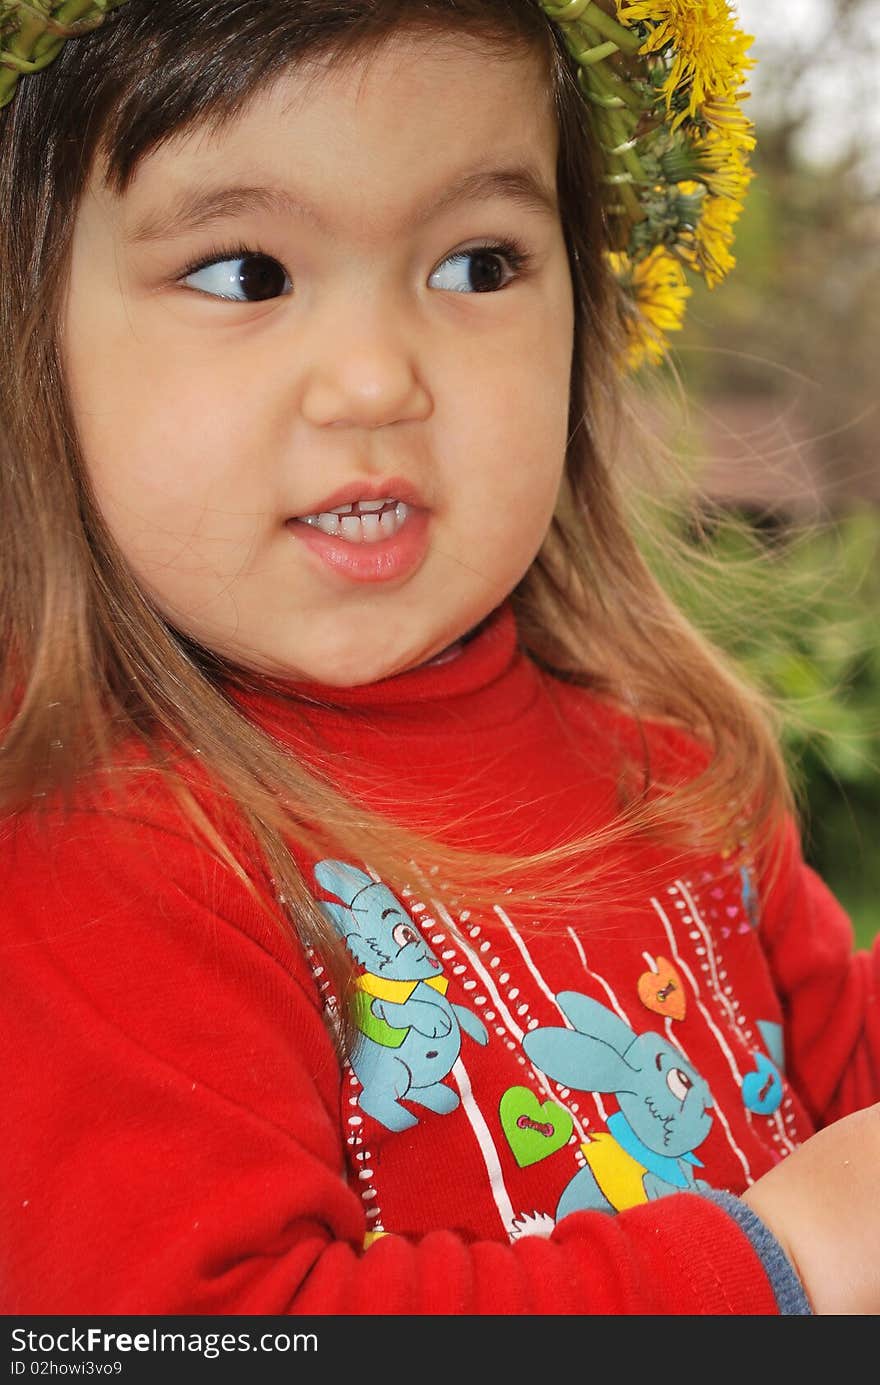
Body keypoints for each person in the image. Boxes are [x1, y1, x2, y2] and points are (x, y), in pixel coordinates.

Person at [1, 0, 878, 1319]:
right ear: (32, 342)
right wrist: (774, 1269)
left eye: (476, 264)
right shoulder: (96, 848)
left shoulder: (672, 760)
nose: (374, 381)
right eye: (248, 272)